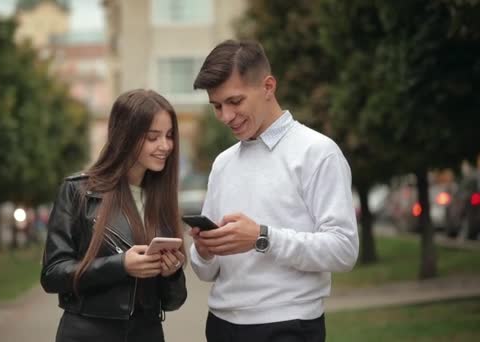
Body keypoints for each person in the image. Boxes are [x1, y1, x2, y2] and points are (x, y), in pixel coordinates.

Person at [189, 39, 359, 342]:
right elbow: (207, 272)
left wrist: (262, 237)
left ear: (268, 87)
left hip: (287, 327)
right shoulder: (223, 164)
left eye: (235, 102)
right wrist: (204, 251)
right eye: (217, 106)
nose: (225, 116)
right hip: (220, 326)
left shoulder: (317, 152)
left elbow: (344, 250)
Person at [41, 89, 187, 342]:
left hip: (148, 333)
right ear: (126, 137)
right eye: (153, 137)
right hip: (88, 333)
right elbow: (52, 275)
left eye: (169, 136)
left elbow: (173, 302)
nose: (165, 146)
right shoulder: (78, 192)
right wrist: (121, 266)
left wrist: (172, 273)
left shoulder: (161, 198)